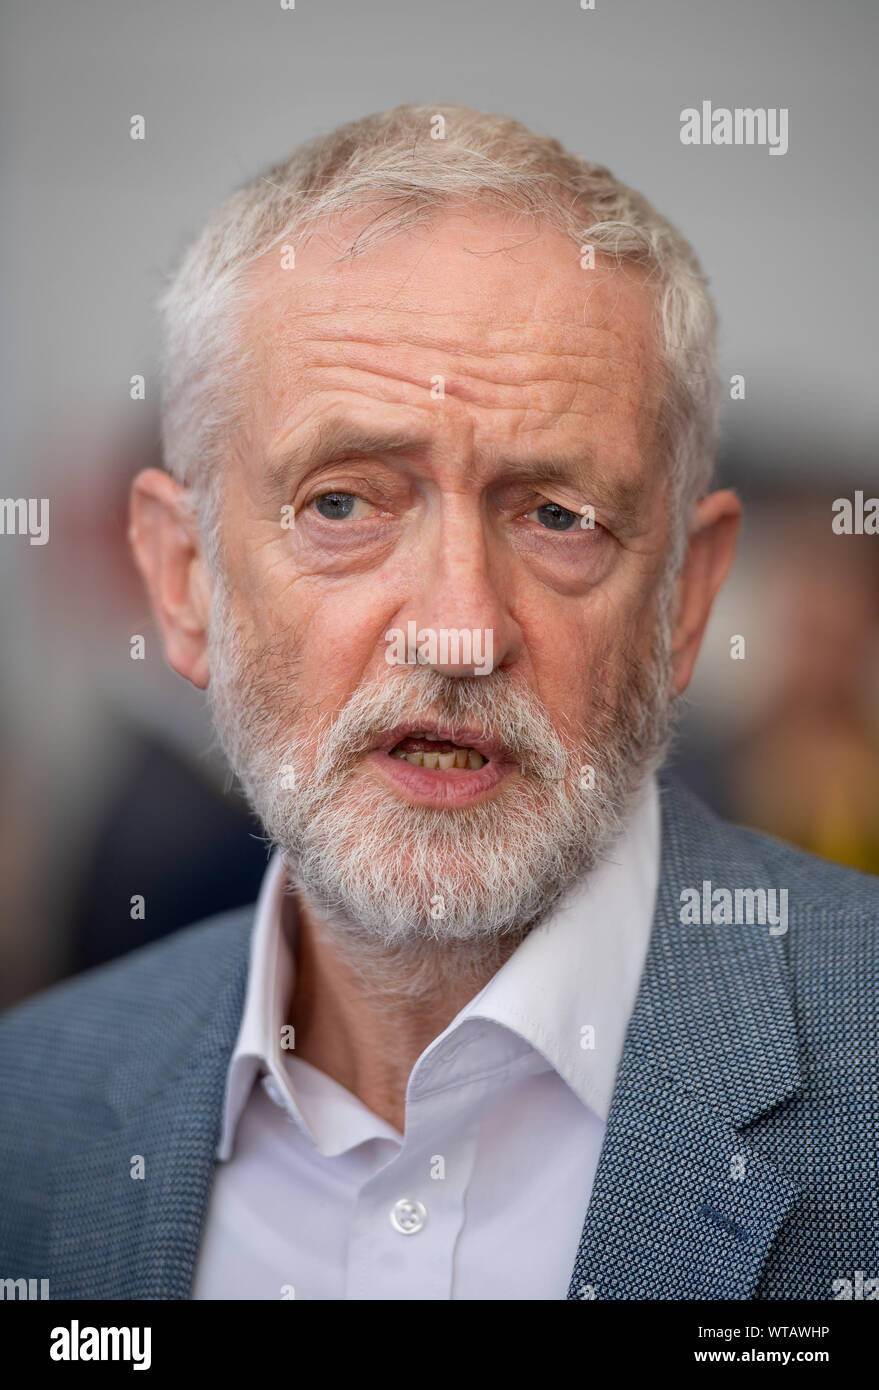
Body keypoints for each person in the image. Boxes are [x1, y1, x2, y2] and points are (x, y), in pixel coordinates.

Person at [1, 104, 876, 1302]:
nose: (459, 632)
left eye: (557, 516)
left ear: (687, 596)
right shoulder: (28, 1106)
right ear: (184, 579)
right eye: (344, 506)